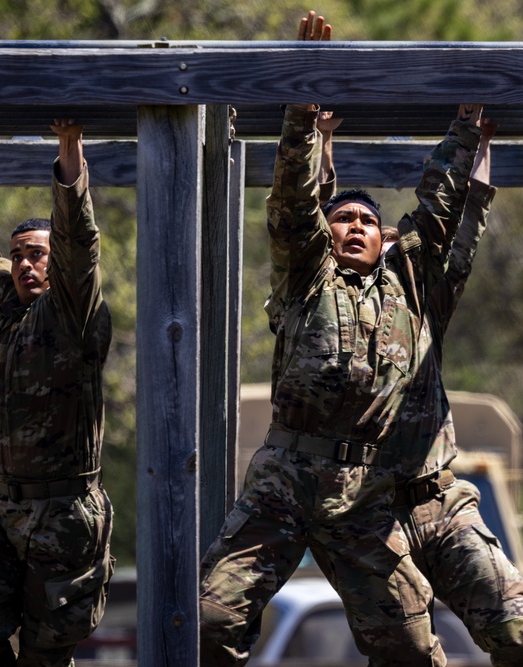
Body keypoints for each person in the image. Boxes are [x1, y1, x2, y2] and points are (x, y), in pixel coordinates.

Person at [198, 11, 485, 666]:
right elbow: (294, 202)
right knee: (212, 617)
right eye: (342, 219)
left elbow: (439, 210)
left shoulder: (402, 288)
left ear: (382, 238)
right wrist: (303, 102)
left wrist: (468, 123)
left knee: (411, 645)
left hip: (364, 489)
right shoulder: (305, 280)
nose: (353, 226)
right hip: (287, 475)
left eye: (366, 220)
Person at [314, 103, 523, 664]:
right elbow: (316, 220)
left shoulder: (421, 303)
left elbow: (463, 228)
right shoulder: (318, 302)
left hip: (440, 501)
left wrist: (482, 144)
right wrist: (319, 140)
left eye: (383, 235)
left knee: (518, 637)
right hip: (367, 511)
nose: (374, 239)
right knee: (406, 656)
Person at [0, 120, 114, 666]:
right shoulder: (5, 299)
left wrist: (70, 148)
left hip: (64, 513)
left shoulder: (75, 312)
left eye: (37, 254)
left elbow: (80, 244)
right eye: (18, 256)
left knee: (46, 658)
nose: (26, 265)